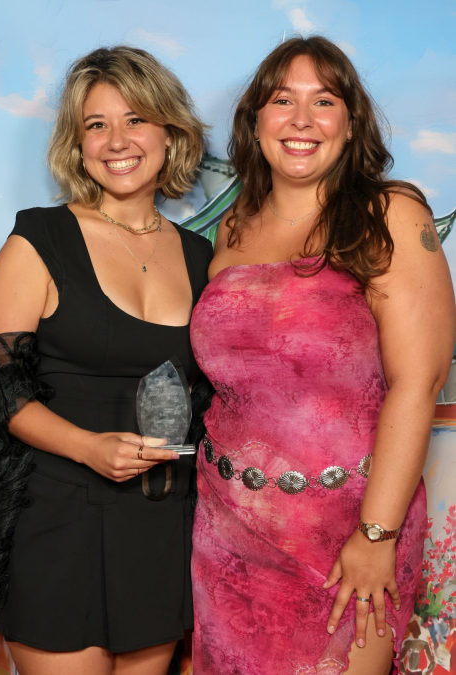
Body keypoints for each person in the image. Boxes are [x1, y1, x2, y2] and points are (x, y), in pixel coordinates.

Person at [189, 36, 455, 675]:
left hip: (350, 534)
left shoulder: (386, 214)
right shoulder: (231, 228)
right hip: (227, 529)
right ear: (255, 123)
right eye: (282, 100)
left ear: (349, 123)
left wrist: (376, 536)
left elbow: (417, 383)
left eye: (324, 101)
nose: (302, 120)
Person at [0, 46, 212, 675]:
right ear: (76, 143)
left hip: (162, 521)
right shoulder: (38, 241)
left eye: (136, 119)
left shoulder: (204, 257)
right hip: (57, 515)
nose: (116, 141)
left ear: (170, 131)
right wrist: (87, 447)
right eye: (96, 125)